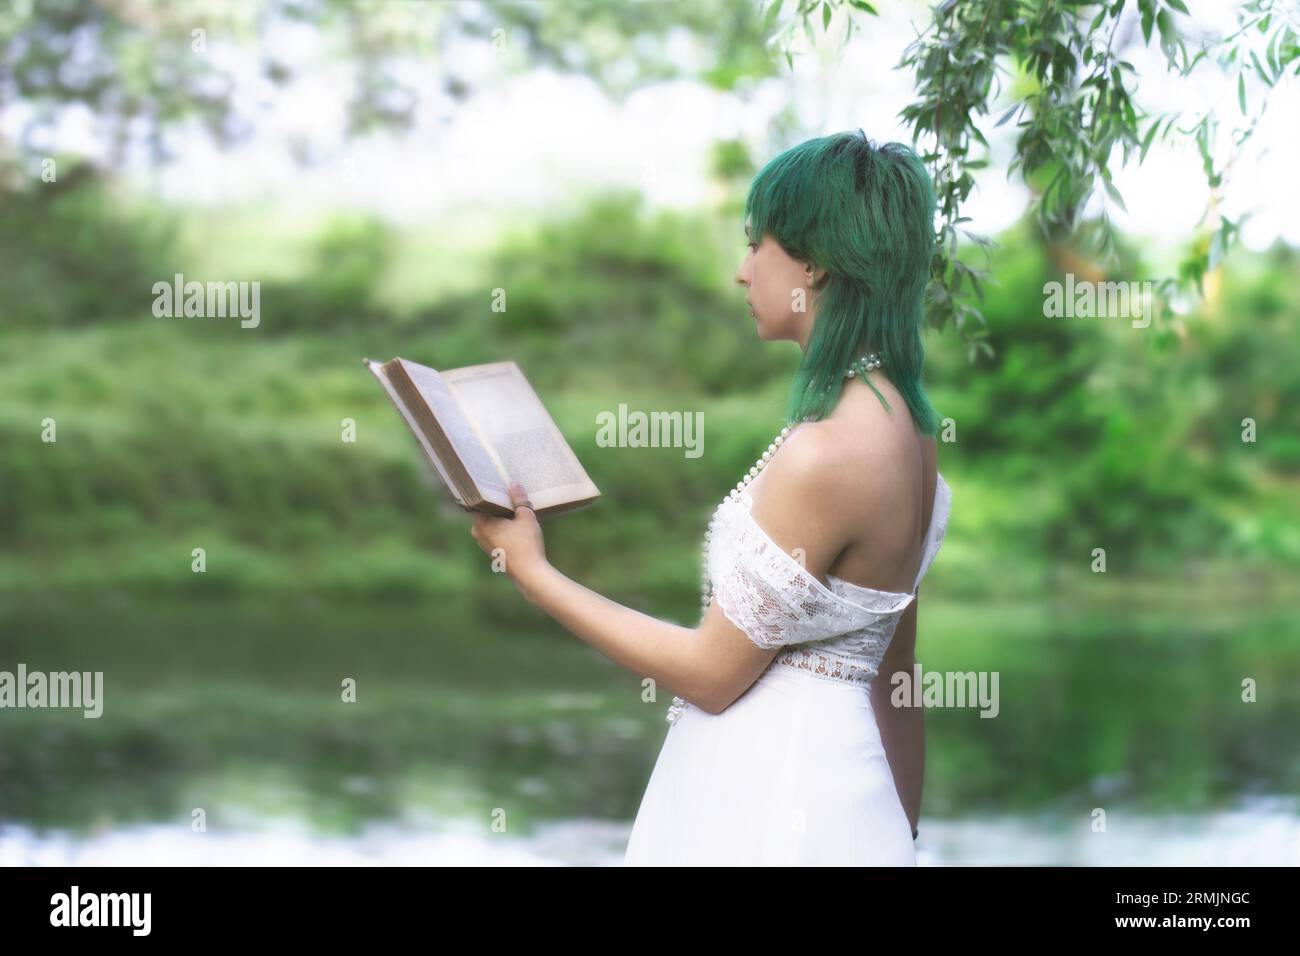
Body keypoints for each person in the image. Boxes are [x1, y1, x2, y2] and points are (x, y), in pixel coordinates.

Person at [469, 130, 951, 865]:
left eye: (759, 245)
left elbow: (711, 674)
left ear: (815, 264)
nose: (741, 271)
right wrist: (899, 833)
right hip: (841, 803)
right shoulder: (910, 430)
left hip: (767, 801)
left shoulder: (826, 452)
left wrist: (534, 575)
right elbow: (897, 667)